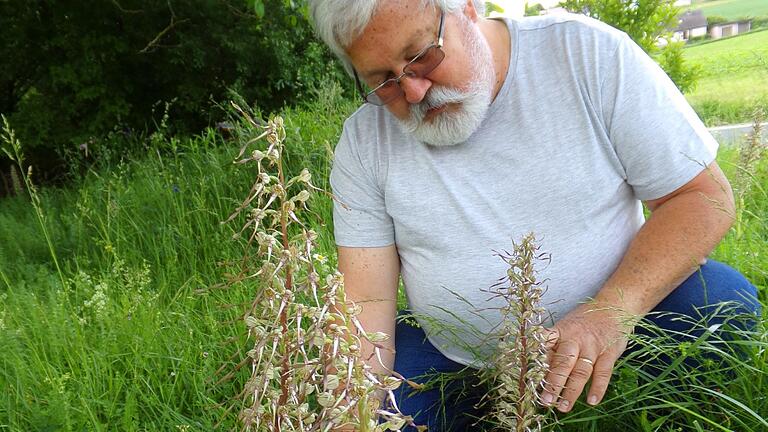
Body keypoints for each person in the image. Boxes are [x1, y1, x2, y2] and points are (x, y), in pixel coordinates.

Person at [308, 0, 761, 430]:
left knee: (722, 303)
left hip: (622, 332)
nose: (413, 90)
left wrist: (610, 313)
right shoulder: (364, 144)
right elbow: (364, 308)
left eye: (421, 56)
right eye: (383, 80)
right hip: (457, 363)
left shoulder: (588, 55)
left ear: (467, 9)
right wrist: (354, 415)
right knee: (370, 405)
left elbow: (703, 198)